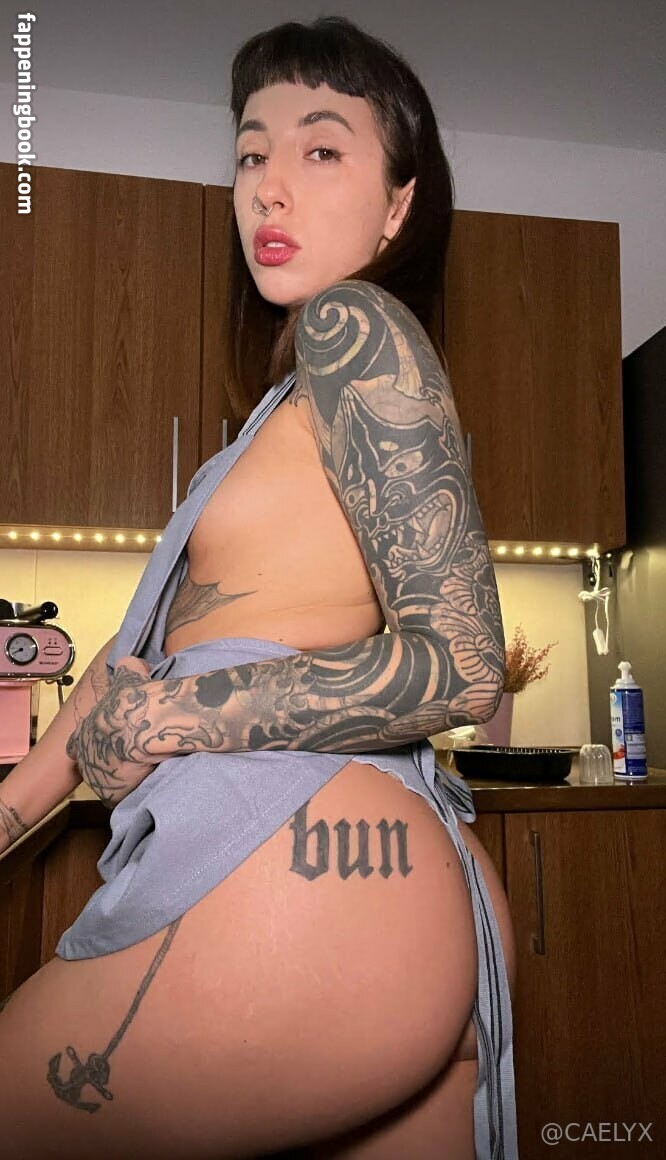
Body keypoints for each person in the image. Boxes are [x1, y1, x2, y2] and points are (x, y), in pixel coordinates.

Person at [0, 16, 518, 1159]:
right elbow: (124, 675)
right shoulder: (281, 418)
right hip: (371, 892)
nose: (268, 186)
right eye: (250, 152)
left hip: (292, 876)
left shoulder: (351, 324)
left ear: (399, 206)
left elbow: (461, 663)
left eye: (321, 148)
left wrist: (177, 714)